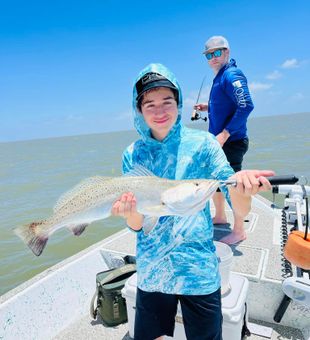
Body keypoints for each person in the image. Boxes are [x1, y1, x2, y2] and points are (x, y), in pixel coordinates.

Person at [112, 63, 273, 340]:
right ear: (138, 110)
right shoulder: (132, 154)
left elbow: (236, 201)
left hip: (198, 270)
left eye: (167, 101)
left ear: (179, 103)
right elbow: (137, 226)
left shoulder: (204, 144)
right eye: (149, 104)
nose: (159, 111)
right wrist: (129, 214)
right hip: (153, 271)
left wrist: (243, 191)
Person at [194, 35, 254, 245]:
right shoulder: (219, 76)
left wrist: (225, 133)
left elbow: (246, 106)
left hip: (231, 141)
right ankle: (220, 216)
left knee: (232, 184)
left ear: (227, 52)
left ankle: (239, 230)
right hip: (219, 142)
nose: (212, 57)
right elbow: (225, 106)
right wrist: (207, 107)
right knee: (216, 180)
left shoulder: (231, 75)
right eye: (208, 54)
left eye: (217, 52)